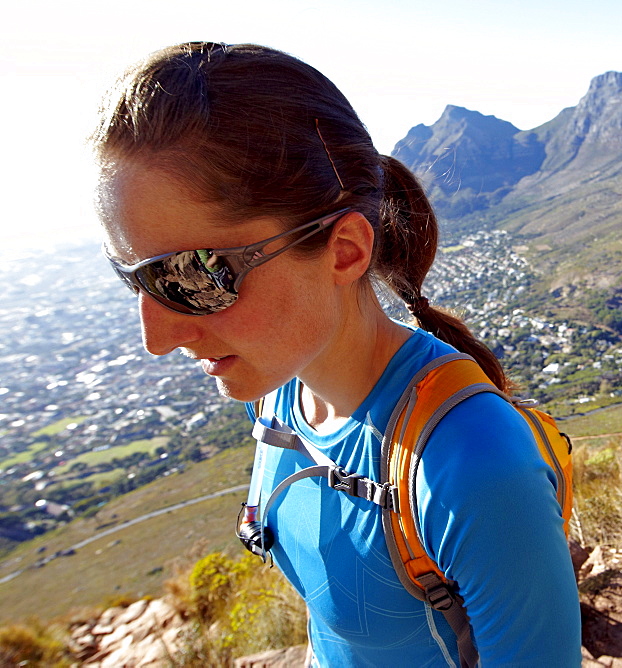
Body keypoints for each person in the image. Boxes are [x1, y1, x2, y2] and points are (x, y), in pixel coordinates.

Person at [93, 42, 581, 667]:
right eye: (130, 277)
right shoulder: (282, 394)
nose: (156, 338)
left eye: (191, 278)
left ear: (344, 251)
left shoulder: (476, 470)